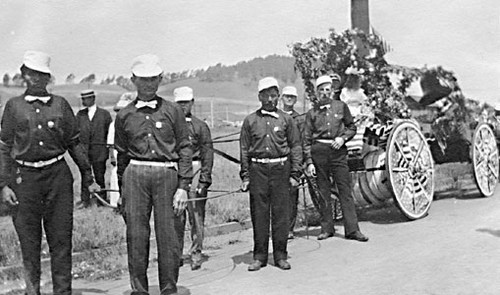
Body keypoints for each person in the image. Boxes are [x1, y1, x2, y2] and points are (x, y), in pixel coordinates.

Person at [0, 50, 99, 295]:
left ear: (48, 78)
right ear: (24, 75)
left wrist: (88, 177)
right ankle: (32, 291)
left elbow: (74, 143)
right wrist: (4, 185)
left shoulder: (60, 105)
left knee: (61, 241)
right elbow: (4, 148)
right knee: (29, 243)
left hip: (58, 178)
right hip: (25, 181)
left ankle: (62, 292)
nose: (36, 79)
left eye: (42, 75)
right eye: (32, 73)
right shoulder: (14, 107)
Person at [114, 54, 193, 295]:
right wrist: (121, 191)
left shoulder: (172, 111)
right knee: (136, 235)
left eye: (153, 80)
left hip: (166, 176)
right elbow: (121, 155)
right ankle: (139, 290)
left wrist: (183, 186)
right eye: (143, 80)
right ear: (133, 81)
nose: (148, 85)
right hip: (135, 175)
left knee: (168, 236)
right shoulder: (124, 115)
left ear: (160, 80)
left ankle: (169, 288)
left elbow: (185, 148)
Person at [240, 77, 302, 271]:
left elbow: (296, 146)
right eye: (266, 95)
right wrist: (246, 176)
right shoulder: (250, 121)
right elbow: (244, 149)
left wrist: (295, 174)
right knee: (259, 214)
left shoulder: (287, 120)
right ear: (259, 96)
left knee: (281, 214)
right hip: (258, 170)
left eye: (274, 95)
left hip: (280, 170)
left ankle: (281, 255)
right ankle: (259, 256)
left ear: (278, 96)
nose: (270, 99)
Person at [303, 75, 368, 242]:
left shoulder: (341, 107)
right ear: (317, 93)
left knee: (344, 190)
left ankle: (352, 230)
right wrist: (309, 162)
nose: (325, 93)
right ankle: (327, 228)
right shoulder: (312, 113)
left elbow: (351, 127)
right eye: (321, 90)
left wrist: (342, 138)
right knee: (323, 191)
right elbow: (306, 140)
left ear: (332, 91)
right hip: (319, 153)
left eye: (327, 90)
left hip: (338, 151)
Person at [173, 86, 214, 271]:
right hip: (175, 171)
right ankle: (176, 253)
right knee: (175, 216)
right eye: (179, 103)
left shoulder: (200, 126)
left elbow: (207, 155)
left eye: (186, 103)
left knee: (196, 215)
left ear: (192, 103)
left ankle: (196, 252)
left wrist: (204, 180)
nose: (183, 106)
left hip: (195, 170)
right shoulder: (170, 126)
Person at [75, 89, 112, 208]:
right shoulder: (80, 115)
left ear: (93, 99)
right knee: (85, 174)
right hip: (84, 151)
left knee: (99, 175)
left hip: (99, 151)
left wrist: (107, 150)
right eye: (83, 99)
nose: (84, 101)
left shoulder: (104, 114)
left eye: (86, 99)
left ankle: (101, 200)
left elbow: (109, 133)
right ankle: (85, 200)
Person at [280, 86, 305, 240]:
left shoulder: (300, 119)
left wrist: (299, 164)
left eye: (292, 97)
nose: (289, 99)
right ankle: (277, 227)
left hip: (293, 160)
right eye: (286, 96)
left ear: (295, 100)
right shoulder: (276, 116)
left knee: (291, 196)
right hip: (278, 161)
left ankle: (289, 228)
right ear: (281, 98)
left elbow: (301, 142)